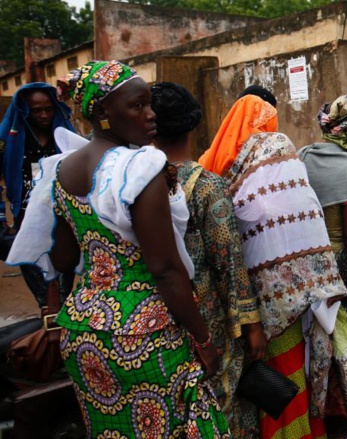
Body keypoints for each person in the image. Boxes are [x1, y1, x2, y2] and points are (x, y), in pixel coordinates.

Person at [7, 60, 229, 437]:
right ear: (103, 112)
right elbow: (165, 269)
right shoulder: (139, 168)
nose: (150, 114)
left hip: (83, 330)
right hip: (144, 330)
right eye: (137, 105)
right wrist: (204, 339)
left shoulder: (59, 171)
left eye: (149, 104)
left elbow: (63, 259)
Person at [200, 94, 346, 439]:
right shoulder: (277, 151)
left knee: (275, 374)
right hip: (286, 298)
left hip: (241, 298)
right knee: (283, 374)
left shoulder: (214, 166)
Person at [151, 82, 267, 438]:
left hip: (161, 318)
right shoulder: (206, 187)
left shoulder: (139, 182)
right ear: (193, 125)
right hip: (208, 319)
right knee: (222, 404)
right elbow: (229, 266)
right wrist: (252, 327)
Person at [299, 94, 347, 438]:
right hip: (340, 261)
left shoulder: (304, 158)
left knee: (315, 339)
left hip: (308, 261)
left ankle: (321, 414)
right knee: (346, 339)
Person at [0, 82, 76, 305]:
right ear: (24, 110)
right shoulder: (7, 141)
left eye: (48, 109)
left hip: (64, 220)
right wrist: (2, 220)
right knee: (41, 288)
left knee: (64, 286)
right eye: (36, 110)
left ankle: (61, 328)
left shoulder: (65, 137)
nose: (43, 115)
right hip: (27, 220)